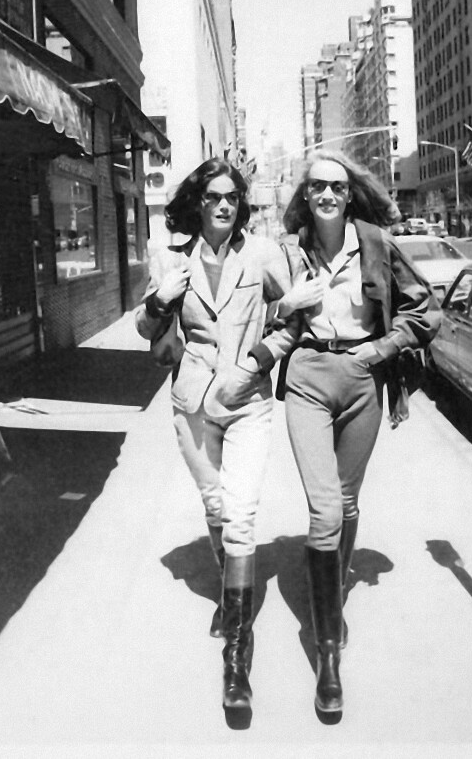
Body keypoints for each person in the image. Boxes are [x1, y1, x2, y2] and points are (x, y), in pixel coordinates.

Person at [275, 150, 440, 716]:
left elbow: (425, 310)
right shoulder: (288, 250)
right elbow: (258, 312)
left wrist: (384, 347)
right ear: (306, 195)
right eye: (317, 186)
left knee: (346, 504)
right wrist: (282, 305)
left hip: (363, 377)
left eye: (337, 187)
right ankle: (327, 654)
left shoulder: (375, 243)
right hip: (307, 374)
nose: (327, 194)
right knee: (325, 510)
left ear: (349, 196)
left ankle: (334, 590)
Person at [135, 158, 297, 714]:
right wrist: (161, 298)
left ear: (241, 204)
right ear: (197, 204)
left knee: (242, 513)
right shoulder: (172, 259)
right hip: (192, 402)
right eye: (213, 197)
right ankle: (232, 597)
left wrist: (260, 359)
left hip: (248, 398)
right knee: (215, 505)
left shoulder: (262, 254)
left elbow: (294, 316)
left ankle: (236, 656)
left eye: (232, 197)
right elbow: (146, 328)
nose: (224, 205)